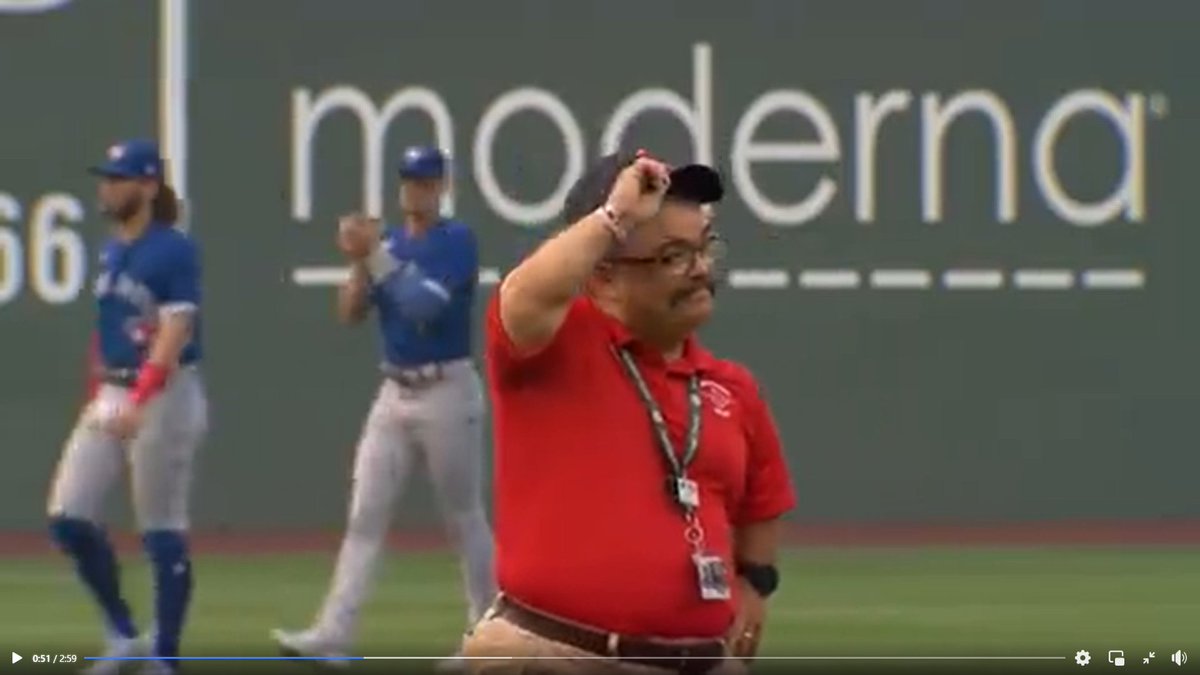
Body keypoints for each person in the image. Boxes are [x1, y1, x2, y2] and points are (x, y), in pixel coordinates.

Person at [462, 150, 796, 674]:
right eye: (673, 257)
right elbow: (521, 297)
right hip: (553, 655)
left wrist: (755, 582)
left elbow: (762, 501)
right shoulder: (555, 344)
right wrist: (614, 216)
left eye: (704, 248)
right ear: (605, 278)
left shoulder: (730, 388)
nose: (701, 270)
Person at [272, 146, 497, 669]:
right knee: (365, 515)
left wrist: (373, 254)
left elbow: (425, 309)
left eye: (424, 181)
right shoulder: (390, 242)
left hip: (447, 390)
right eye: (408, 181)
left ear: (441, 186)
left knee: (463, 517)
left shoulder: (455, 241)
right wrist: (359, 260)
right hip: (394, 391)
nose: (414, 190)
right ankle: (334, 633)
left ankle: (487, 637)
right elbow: (350, 312)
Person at [47, 139, 208, 675]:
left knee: (161, 529)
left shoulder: (173, 249)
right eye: (106, 177)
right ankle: (122, 633)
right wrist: (99, 390)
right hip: (113, 389)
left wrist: (141, 397)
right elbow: (107, 325)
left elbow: (175, 329)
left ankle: (165, 657)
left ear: (147, 186)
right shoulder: (112, 248)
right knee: (68, 516)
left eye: (118, 178)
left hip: (165, 393)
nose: (107, 186)